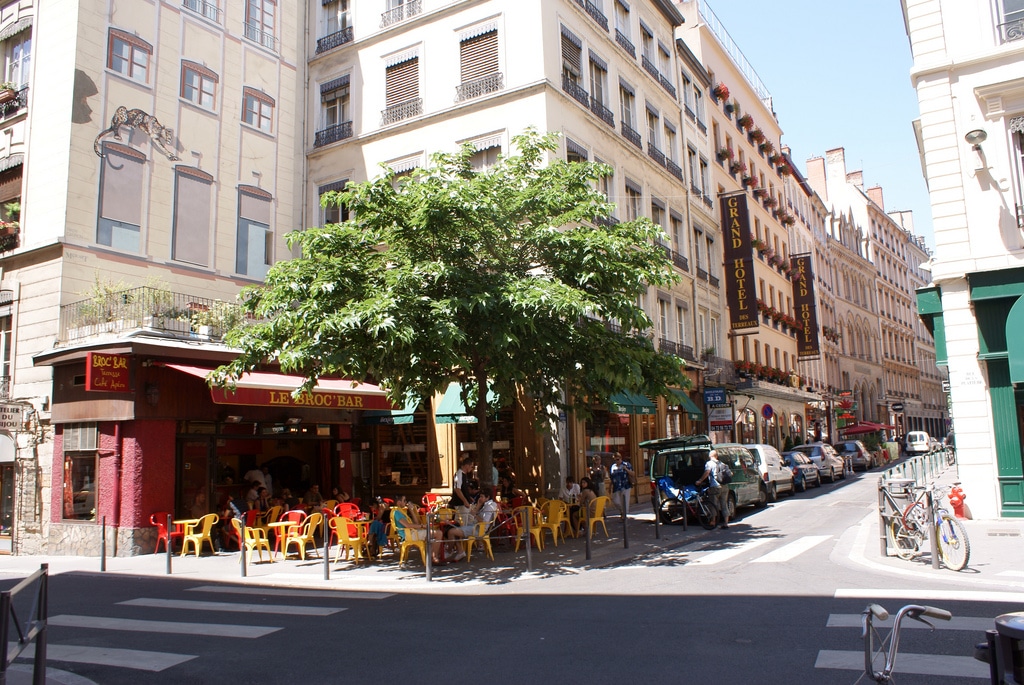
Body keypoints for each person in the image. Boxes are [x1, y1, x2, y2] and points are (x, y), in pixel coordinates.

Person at [445, 486, 499, 560]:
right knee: (455, 528)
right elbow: (473, 513)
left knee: (451, 532)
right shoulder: (486, 505)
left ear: (487, 497)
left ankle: (449, 551)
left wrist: (475, 515)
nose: (480, 498)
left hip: (479, 530)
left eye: (482, 496)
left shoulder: (489, 507)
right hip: (476, 527)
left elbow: (484, 522)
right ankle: (460, 551)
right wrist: (479, 505)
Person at [392, 496, 444, 563]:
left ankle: (433, 556)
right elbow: (407, 525)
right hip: (409, 535)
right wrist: (422, 526)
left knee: (434, 532)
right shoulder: (396, 512)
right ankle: (434, 558)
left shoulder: (401, 511)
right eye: (404, 500)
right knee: (438, 533)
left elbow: (416, 523)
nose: (406, 502)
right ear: (399, 502)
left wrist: (412, 510)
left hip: (413, 532)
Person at [695, 450, 729, 529]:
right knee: (724, 504)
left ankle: (713, 521)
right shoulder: (722, 464)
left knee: (713, 504)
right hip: (725, 486)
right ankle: (726, 523)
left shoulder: (709, 463)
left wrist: (700, 480)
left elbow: (707, 472)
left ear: (710, 456)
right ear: (717, 456)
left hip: (715, 487)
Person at [608, 452, 634, 516]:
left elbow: (633, 474)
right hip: (616, 487)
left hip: (625, 486)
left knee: (625, 502)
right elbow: (612, 477)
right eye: (615, 460)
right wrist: (610, 486)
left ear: (621, 458)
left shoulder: (626, 464)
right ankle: (622, 511)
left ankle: (624, 516)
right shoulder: (613, 467)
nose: (616, 461)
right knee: (616, 501)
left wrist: (626, 469)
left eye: (618, 459)